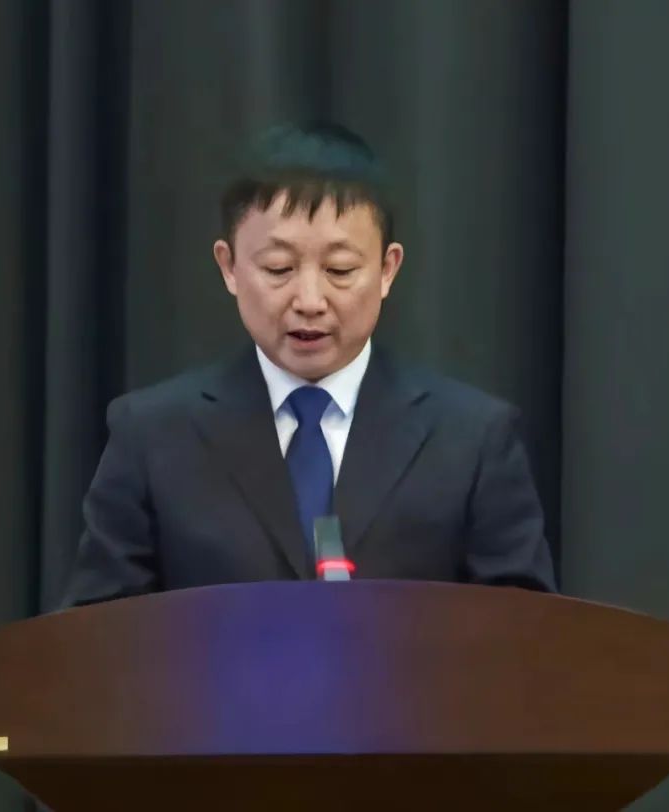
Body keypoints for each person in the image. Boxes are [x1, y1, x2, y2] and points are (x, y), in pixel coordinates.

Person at [62, 122, 555, 606]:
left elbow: (527, 635)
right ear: (229, 266)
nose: (310, 301)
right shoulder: (152, 435)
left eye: (340, 270)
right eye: (278, 269)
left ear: (387, 269)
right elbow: (98, 637)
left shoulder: (473, 438)